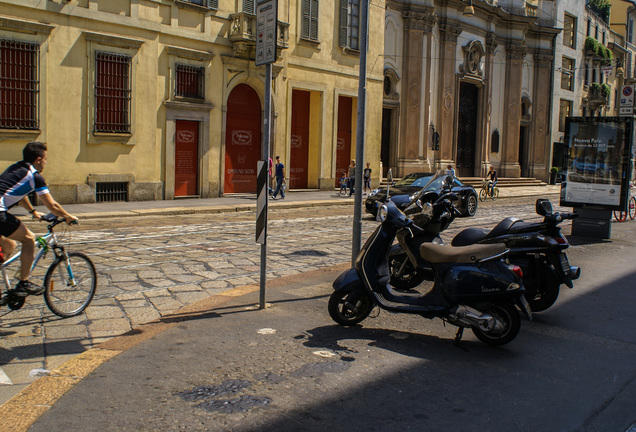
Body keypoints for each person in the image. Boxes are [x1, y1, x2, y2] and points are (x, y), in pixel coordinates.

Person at [0, 141, 78, 297]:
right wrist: (68, 216)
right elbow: (53, 206)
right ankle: (24, 283)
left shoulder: (17, 168)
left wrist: (33, 212)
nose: (46, 162)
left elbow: (20, 195)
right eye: (45, 159)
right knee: (29, 238)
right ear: (38, 159)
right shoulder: (35, 176)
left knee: (9, 244)